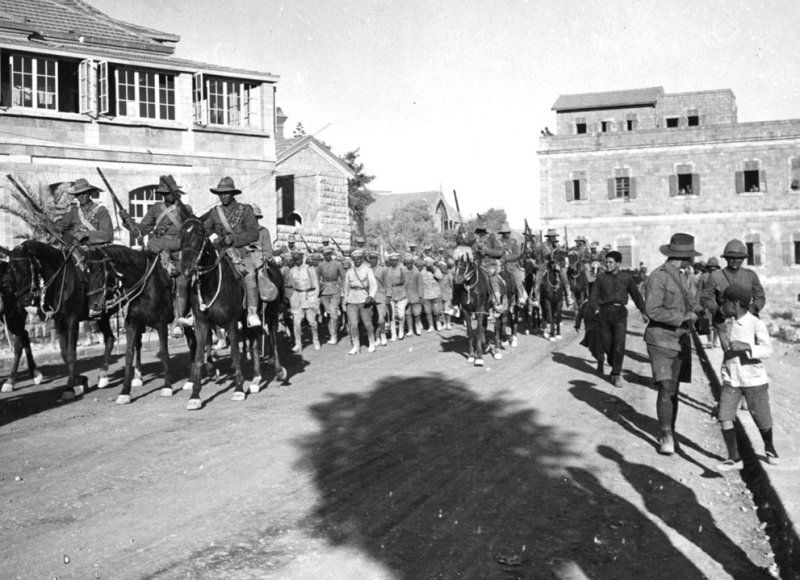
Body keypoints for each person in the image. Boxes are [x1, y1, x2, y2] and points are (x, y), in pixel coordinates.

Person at [644, 233, 701, 455]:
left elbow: (689, 305)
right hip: (660, 341)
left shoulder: (682, 275)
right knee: (666, 387)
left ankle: (670, 430)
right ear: (684, 255)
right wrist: (681, 318)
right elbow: (652, 310)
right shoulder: (658, 277)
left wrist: (696, 311)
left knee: (674, 389)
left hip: (679, 341)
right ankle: (666, 436)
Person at [714, 284, 778, 471]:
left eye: (724, 303)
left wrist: (748, 347)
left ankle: (769, 446)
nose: (721, 306)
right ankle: (734, 457)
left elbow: (767, 350)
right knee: (724, 416)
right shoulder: (728, 323)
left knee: (762, 418)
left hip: (753, 379)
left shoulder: (756, 323)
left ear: (734, 304)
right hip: (731, 378)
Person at [120, 175, 193, 337]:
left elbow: (188, 238)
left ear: (176, 193)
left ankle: (179, 319)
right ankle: (135, 317)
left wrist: (165, 244)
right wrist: (128, 221)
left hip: (177, 253)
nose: (168, 195)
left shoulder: (185, 209)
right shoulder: (155, 209)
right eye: (165, 193)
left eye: (171, 192)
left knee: (182, 280)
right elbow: (141, 230)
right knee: (138, 275)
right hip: (156, 252)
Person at [199, 176, 261, 327]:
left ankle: (252, 312)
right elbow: (206, 230)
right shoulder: (215, 212)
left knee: (250, 275)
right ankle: (196, 311)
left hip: (240, 251)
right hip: (219, 252)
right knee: (200, 272)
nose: (223, 196)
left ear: (233, 193)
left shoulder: (245, 210)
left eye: (227, 193)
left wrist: (233, 239)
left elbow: (254, 233)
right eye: (221, 193)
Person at [589, 250, 647, 387]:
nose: (607, 265)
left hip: (620, 313)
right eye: (606, 262)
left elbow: (636, 296)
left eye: (610, 262)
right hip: (604, 313)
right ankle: (612, 361)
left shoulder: (626, 278)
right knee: (607, 344)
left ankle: (616, 374)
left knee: (619, 345)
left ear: (618, 264)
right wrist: (596, 310)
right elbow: (593, 296)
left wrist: (643, 311)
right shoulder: (601, 278)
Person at [701, 239, 766, 351]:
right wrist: (718, 311)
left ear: (744, 259)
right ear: (726, 258)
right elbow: (706, 298)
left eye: (739, 258)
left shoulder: (751, 276)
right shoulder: (716, 277)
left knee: (750, 355)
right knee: (731, 357)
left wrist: (752, 309)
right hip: (724, 322)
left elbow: (760, 297)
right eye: (732, 257)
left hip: (747, 322)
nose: (735, 260)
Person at [57, 177, 114, 259]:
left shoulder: (101, 211)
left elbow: (108, 234)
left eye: (84, 193)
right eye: (78, 194)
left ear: (90, 193)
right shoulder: (73, 212)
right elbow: (60, 228)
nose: (81, 196)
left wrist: (86, 234)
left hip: (96, 254)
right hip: (76, 253)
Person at [343, 249, 378, 354]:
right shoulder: (349, 271)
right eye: (354, 259)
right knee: (352, 324)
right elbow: (346, 288)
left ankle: (371, 342)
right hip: (352, 299)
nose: (356, 261)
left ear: (362, 259)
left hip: (364, 299)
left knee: (367, 323)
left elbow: (373, 284)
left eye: (358, 259)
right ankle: (356, 345)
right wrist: (345, 301)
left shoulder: (367, 270)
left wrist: (371, 296)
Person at [287, 250, 320, 352]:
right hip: (297, 297)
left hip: (309, 296)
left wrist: (315, 297)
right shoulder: (292, 271)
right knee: (296, 322)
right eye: (295, 260)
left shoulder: (309, 269)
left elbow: (316, 284)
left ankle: (315, 339)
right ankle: (298, 343)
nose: (297, 262)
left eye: (298, 260)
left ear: (302, 259)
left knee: (312, 322)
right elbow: (292, 285)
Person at [317, 246, 345, 345]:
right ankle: (331, 333)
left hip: (335, 289)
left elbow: (343, 277)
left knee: (334, 313)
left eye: (328, 254)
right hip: (324, 291)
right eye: (325, 255)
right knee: (328, 313)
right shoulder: (320, 265)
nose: (327, 256)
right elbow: (317, 278)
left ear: (331, 254)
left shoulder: (338, 264)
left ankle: (334, 335)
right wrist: (317, 290)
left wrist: (343, 290)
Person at [367, 250, 389, 345]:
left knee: (381, 319)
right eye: (371, 259)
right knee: (372, 320)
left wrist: (388, 296)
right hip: (369, 298)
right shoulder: (366, 270)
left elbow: (388, 284)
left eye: (374, 259)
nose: (372, 261)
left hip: (381, 296)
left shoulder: (382, 270)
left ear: (377, 259)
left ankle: (383, 335)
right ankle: (377, 338)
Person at [384, 252, 407, 340]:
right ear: (389, 261)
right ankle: (393, 334)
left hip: (401, 293)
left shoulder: (402, 269)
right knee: (392, 315)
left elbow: (406, 281)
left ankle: (401, 330)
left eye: (395, 260)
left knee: (401, 315)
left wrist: (402, 289)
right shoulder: (386, 270)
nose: (394, 262)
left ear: (397, 261)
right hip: (390, 294)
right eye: (392, 260)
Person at [418, 256, 443, 331]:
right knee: (427, 312)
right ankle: (431, 326)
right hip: (426, 295)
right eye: (426, 263)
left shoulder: (436, 269)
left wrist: (433, 269)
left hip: (436, 294)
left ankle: (438, 323)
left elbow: (440, 277)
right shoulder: (422, 271)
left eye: (429, 263)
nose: (428, 264)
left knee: (436, 311)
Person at [403, 254, 423, 336]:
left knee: (417, 314)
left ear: (412, 263)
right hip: (406, 296)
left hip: (416, 297)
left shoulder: (417, 272)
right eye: (406, 263)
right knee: (408, 314)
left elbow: (420, 285)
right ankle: (410, 330)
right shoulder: (403, 271)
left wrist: (421, 296)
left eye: (410, 263)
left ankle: (418, 327)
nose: (408, 265)